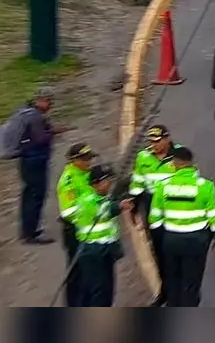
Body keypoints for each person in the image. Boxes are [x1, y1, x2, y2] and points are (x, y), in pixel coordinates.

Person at [148, 147, 215, 307]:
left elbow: (154, 218)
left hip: (171, 241)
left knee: (173, 280)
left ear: (175, 164)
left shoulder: (163, 186)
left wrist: (162, 240)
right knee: (191, 282)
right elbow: (214, 217)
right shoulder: (205, 186)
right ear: (191, 163)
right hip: (196, 242)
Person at [129, 124, 180, 306]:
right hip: (153, 211)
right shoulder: (143, 157)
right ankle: (165, 291)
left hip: (174, 209)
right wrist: (134, 209)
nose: (155, 145)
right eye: (152, 142)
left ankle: (179, 291)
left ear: (167, 139)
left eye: (158, 141)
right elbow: (137, 184)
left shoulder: (179, 155)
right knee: (159, 252)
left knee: (175, 253)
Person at [19, 86, 71, 245]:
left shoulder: (26, 113)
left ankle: (27, 230)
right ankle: (31, 234)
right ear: (41, 100)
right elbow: (40, 139)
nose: (50, 105)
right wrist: (54, 131)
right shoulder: (35, 117)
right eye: (49, 101)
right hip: (35, 161)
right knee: (36, 196)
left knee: (28, 196)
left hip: (27, 160)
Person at [74, 164, 131, 306]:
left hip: (104, 251)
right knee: (99, 292)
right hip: (93, 252)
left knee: (107, 291)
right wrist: (120, 206)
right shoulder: (87, 200)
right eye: (106, 181)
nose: (110, 184)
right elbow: (104, 211)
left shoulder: (102, 197)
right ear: (95, 184)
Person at [56, 143, 97, 306]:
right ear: (74, 160)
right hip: (74, 230)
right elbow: (68, 212)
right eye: (85, 159)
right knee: (76, 271)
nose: (89, 162)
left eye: (90, 158)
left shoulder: (86, 173)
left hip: (87, 228)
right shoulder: (68, 181)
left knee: (88, 270)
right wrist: (91, 214)